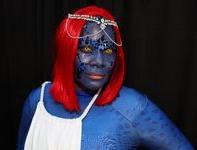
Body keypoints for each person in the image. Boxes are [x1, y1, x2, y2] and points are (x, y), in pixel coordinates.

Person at [17, 6, 194, 150]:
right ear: (66, 51)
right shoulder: (37, 101)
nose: (99, 62)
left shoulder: (132, 107)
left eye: (108, 50)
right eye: (87, 49)